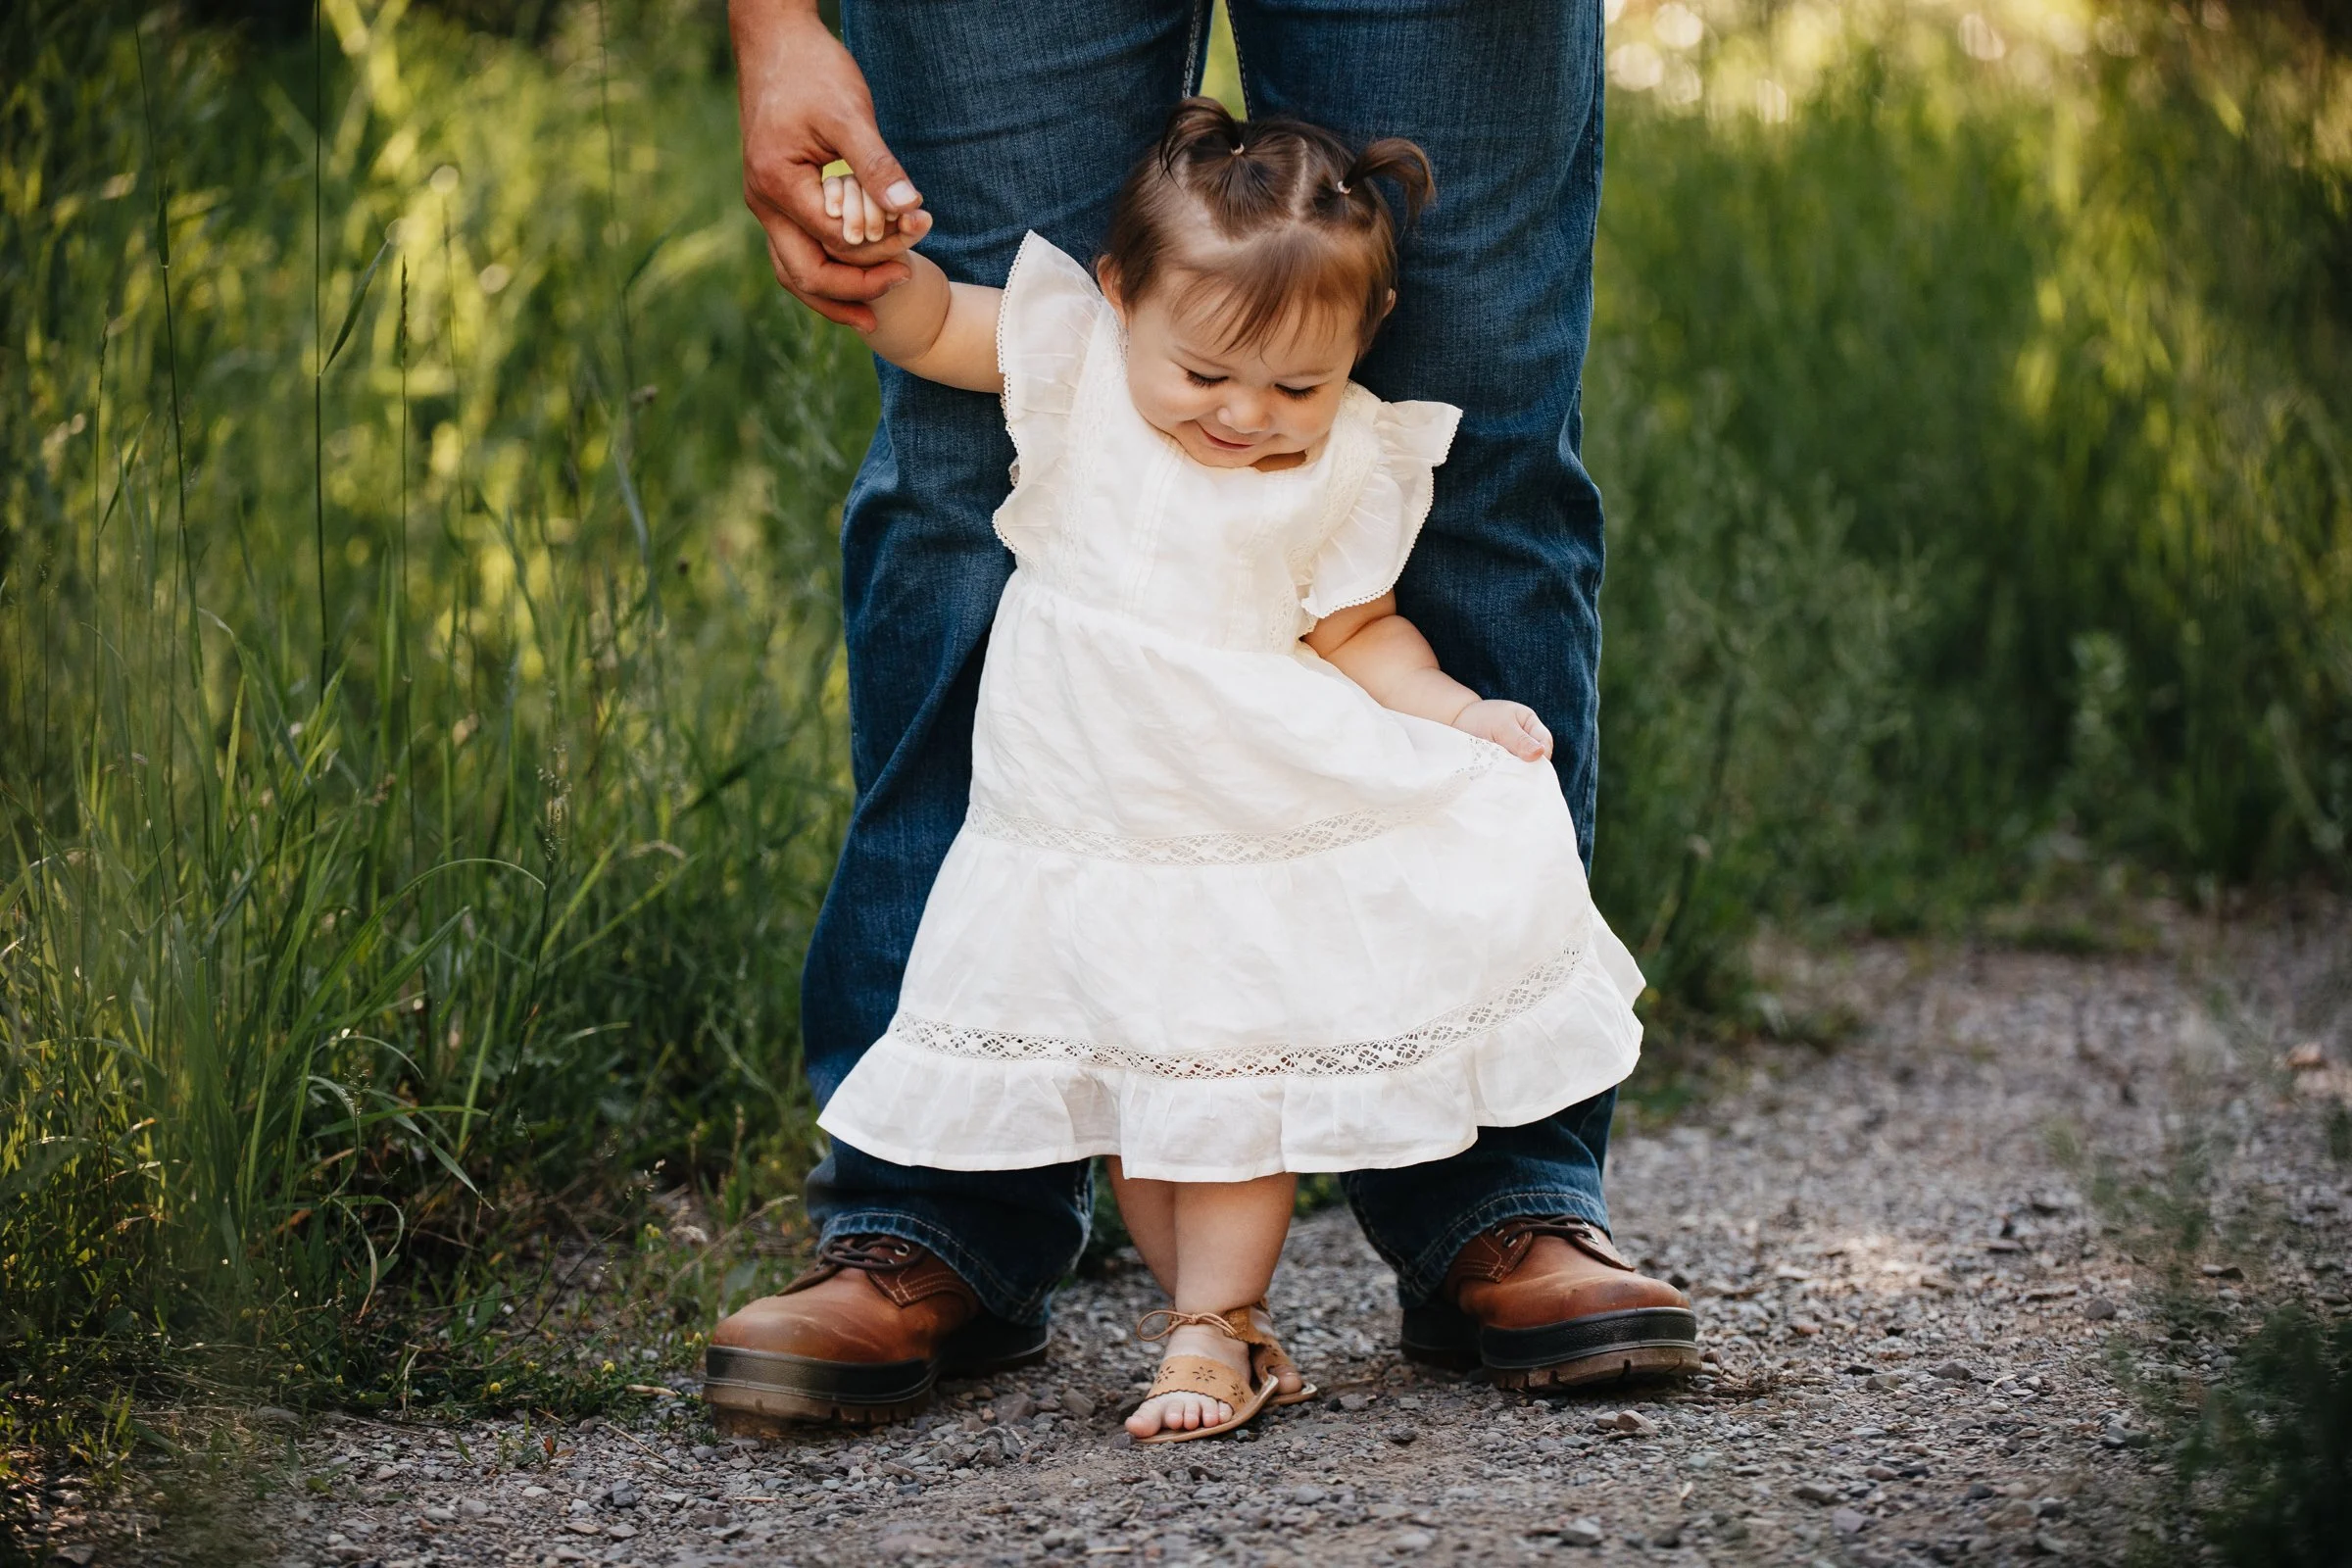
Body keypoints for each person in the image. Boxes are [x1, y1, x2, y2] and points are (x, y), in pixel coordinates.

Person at [705, 0, 1702, 1436]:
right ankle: (934, 1208)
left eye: (1294, 385)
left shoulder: (1339, 452)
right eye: (1213, 378)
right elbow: (944, 320)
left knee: (1479, 448)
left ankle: (1501, 1187)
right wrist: (784, 39)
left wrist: (1456, 715)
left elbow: (1367, 625)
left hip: (1268, 762)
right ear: (1112, 303)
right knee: (952, 480)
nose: (1247, 414)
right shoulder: (1077, 356)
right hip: (1076, 785)